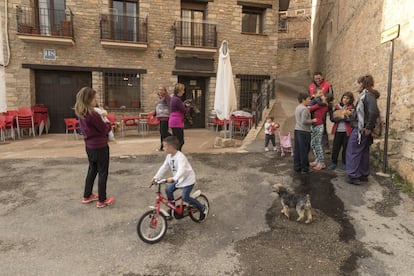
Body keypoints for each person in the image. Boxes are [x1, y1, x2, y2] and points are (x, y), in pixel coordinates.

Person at [74, 87, 115, 208]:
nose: (95, 100)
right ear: (89, 99)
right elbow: (104, 129)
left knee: (92, 169)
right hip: (100, 146)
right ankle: (102, 200)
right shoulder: (93, 114)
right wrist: (108, 124)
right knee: (103, 172)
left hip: (89, 146)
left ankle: (87, 195)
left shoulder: (82, 113)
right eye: (94, 98)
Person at [153, 136, 206, 220]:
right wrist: (156, 177)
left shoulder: (180, 157)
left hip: (187, 180)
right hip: (178, 180)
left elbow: (182, 170)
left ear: (170, 147)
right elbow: (164, 167)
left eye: (164, 146)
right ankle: (173, 209)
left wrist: (174, 178)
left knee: (185, 197)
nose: (163, 148)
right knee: (168, 190)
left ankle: (202, 208)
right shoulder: (169, 156)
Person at [346, 75, 380, 185]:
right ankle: (362, 174)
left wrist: (369, 127)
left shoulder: (367, 96)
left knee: (353, 151)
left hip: (361, 129)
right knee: (363, 152)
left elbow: (374, 112)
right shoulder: (367, 96)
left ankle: (353, 175)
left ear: (362, 84)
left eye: (357, 83)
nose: (356, 85)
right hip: (363, 128)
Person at [327, 92, 355, 170]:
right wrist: (341, 117)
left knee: (345, 148)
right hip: (338, 130)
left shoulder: (352, 108)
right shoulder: (337, 107)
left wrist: (344, 118)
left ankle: (344, 163)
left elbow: (352, 119)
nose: (345, 100)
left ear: (350, 100)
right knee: (335, 147)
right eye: (344, 98)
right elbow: (332, 119)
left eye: (347, 98)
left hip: (347, 131)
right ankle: (333, 162)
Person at [308, 72, 334, 153]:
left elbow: (331, 97)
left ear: (322, 77)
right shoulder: (311, 86)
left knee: (323, 127)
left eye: (319, 78)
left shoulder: (328, 85)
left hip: (322, 110)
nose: (318, 80)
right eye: (316, 78)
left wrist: (327, 107)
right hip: (313, 110)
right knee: (312, 128)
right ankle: (313, 145)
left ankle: (326, 146)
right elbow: (309, 97)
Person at [308, 90, 332, 170]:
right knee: (313, 143)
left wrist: (312, 99)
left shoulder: (321, 105)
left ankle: (321, 163)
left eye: (323, 96)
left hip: (318, 125)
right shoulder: (323, 104)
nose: (321, 96)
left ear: (326, 99)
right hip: (316, 125)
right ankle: (317, 160)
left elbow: (310, 109)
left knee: (317, 144)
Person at [293, 92, 316, 174]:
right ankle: (305, 168)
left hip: (297, 130)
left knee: (298, 149)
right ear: (303, 100)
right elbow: (304, 121)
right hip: (304, 131)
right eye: (308, 99)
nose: (310, 100)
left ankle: (297, 166)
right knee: (304, 150)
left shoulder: (298, 107)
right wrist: (313, 120)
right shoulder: (305, 109)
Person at [169, 83, 187, 151]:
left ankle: (175, 154)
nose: (183, 92)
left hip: (174, 121)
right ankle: (177, 155)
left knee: (176, 140)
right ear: (179, 91)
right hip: (177, 121)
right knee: (180, 141)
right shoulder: (177, 99)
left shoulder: (174, 98)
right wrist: (188, 107)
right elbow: (184, 110)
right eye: (183, 90)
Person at [155, 87, 171, 151]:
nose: (160, 91)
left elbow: (170, 106)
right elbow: (158, 108)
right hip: (161, 118)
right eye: (159, 90)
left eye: (162, 90)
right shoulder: (161, 99)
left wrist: (171, 114)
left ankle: (174, 138)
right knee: (162, 133)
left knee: (164, 132)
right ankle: (162, 147)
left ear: (165, 91)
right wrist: (153, 114)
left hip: (165, 117)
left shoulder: (167, 97)